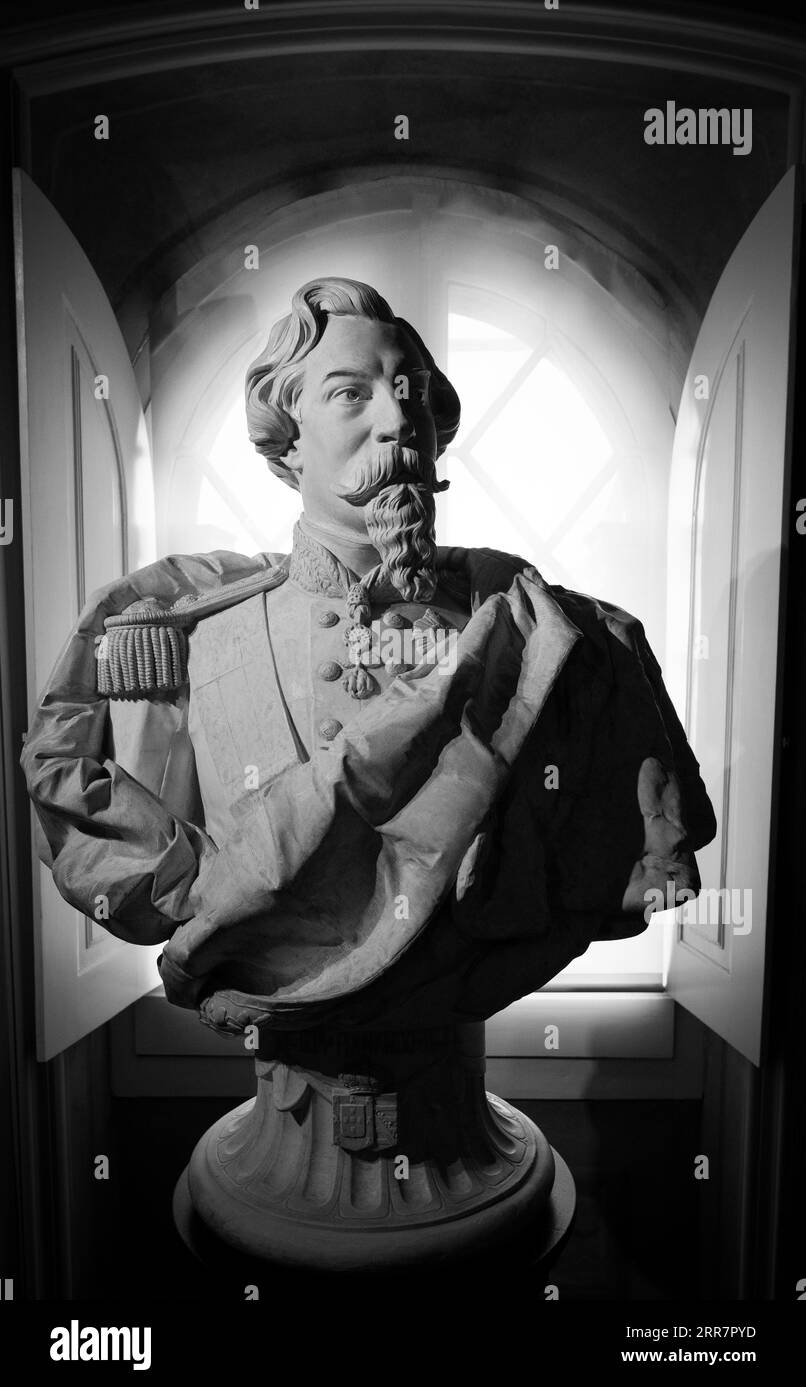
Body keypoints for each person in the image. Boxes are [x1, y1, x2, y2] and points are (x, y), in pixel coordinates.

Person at [20, 277, 716, 1036]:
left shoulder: (543, 638)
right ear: (289, 437)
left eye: (408, 391)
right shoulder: (191, 640)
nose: (396, 420)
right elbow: (148, 868)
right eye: (352, 394)